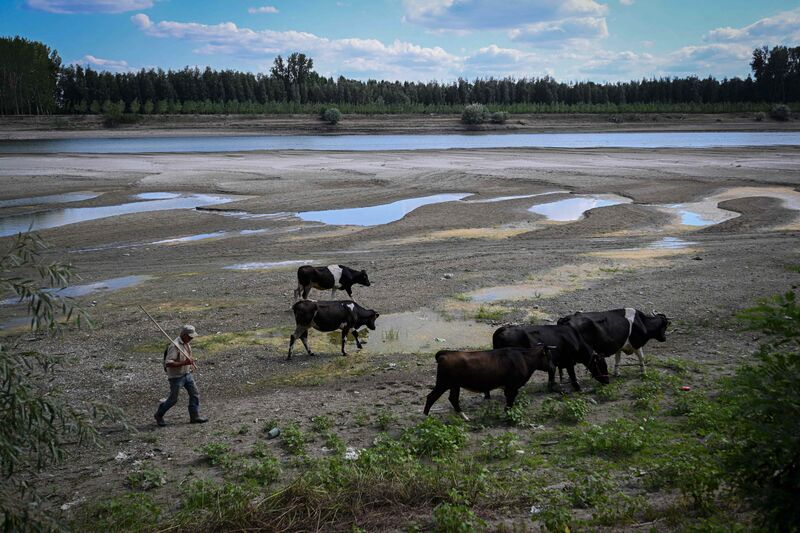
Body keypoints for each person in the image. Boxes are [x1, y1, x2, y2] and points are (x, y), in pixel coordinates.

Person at [154, 325, 208, 426]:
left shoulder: (186, 344)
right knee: (173, 399)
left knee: (194, 394)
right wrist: (184, 363)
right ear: (184, 335)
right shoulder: (174, 346)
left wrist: (189, 362)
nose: (192, 338)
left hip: (187, 374)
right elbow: (168, 363)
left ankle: (194, 416)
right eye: (190, 336)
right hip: (176, 377)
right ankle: (159, 414)